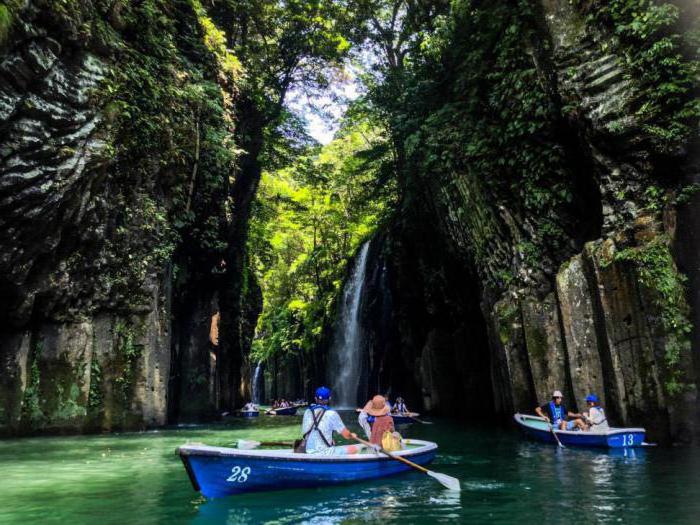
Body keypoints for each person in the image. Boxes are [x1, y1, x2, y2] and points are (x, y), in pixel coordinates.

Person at [301, 386, 363, 455]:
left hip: (308, 451)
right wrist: (352, 435)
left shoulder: (307, 411)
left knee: (332, 442)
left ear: (315, 398)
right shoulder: (331, 414)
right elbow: (346, 435)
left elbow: (305, 432)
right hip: (325, 453)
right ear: (329, 399)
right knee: (353, 449)